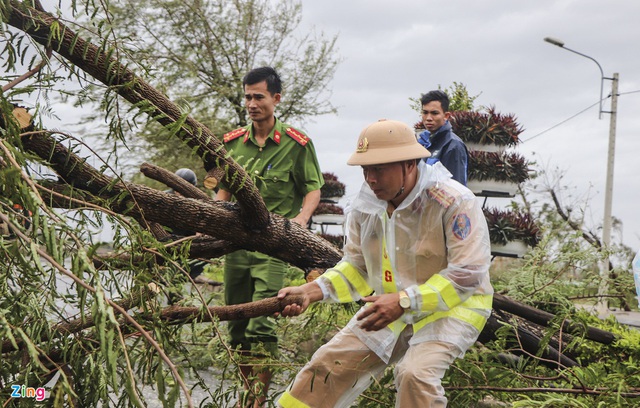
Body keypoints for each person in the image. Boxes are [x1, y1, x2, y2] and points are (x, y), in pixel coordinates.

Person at [276, 119, 493, 407]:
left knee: (414, 375)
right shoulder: (365, 208)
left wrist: (404, 301)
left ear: (409, 164)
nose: (370, 179)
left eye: (378, 168)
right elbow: (357, 268)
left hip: (454, 308)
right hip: (391, 306)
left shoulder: (452, 201)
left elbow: (467, 275)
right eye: (366, 169)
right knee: (326, 366)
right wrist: (310, 291)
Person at [215, 66, 324, 407]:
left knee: (261, 323)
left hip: (273, 248)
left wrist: (302, 220)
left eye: (258, 96)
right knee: (236, 322)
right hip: (236, 247)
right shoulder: (231, 143)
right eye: (247, 96)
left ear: (276, 99)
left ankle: (256, 401)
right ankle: (248, 394)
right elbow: (222, 193)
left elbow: (312, 189)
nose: (251, 103)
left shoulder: (297, 144)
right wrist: (210, 224)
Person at [165, 168, 210, 283]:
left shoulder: (200, 201)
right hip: (168, 241)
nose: (179, 192)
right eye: (177, 189)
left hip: (190, 245)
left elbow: (203, 229)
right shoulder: (165, 198)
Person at [417, 90, 469, 185]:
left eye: (434, 113)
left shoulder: (453, 145)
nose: (428, 118)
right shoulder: (422, 143)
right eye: (425, 112)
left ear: (446, 116)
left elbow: (455, 189)